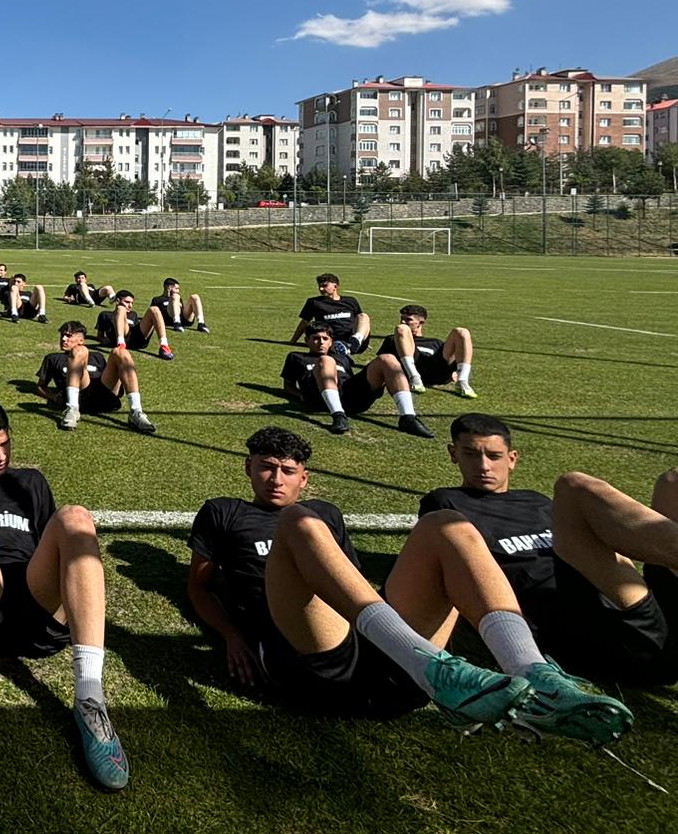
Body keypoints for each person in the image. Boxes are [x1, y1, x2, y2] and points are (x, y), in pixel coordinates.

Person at [186, 427, 631, 745]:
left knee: (447, 524)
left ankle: (533, 672)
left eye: (288, 470)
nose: (277, 478)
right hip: (310, 657)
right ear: (248, 468)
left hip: (393, 673)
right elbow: (200, 588)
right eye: (266, 468)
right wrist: (232, 637)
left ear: (304, 477)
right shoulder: (224, 511)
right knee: (297, 522)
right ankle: (432, 663)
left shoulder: (328, 512)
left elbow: (349, 581)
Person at [0, 398, 130, 789]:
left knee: (75, 517)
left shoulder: (31, 481)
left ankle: (90, 699)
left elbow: (54, 543)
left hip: (37, 603)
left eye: (4, 444)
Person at [419, 413, 678, 687]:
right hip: (604, 634)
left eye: (494, 456)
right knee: (573, 485)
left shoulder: (536, 500)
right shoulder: (446, 503)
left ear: (512, 459)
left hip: (647, 608)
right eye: (471, 454)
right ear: (453, 453)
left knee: (672, 482)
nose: (483, 466)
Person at [281, 323, 433, 438]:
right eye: (315, 339)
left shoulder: (342, 358)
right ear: (307, 340)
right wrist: (299, 395)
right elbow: (288, 385)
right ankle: (338, 416)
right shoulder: (296, 357)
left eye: (325, 339)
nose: (321, 342)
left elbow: (350, 378)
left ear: (331, 342)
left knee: (387, 358)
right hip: (319, 397)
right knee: (326, 361)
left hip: (350, 396)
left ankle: (408, 417)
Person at [35, 321, 154, 433]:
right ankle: (72, 409)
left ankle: (136, 412)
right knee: (79, 352)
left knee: (120, 352)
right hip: (81, 396)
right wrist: (53, 396)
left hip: (103, 396)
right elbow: (40, 386)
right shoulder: (53, 358)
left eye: (68, 336)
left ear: (81, 340)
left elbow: (109, 380)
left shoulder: (97, 356)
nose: (63, 339)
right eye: (62, 335)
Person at [380, 304, 476, 398]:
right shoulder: (392, 339)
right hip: (415, 367)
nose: (403, 322)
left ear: (421, 323)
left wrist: (455, 372)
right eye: (402, 318)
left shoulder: (435, 342)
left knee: (462, 332)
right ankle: (414, 378)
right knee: (402, 329)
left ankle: (463, 381)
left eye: (408, 320)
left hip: (438, 370)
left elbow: (449, 360)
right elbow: (385, 361)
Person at [290, 273, 369, 352]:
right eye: (319, 286)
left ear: (335, 286)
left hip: (351, 336)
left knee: (363, 316)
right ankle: (345, 349)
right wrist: (293, 340)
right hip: (331, 340)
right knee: (335, 344)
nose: (321, 289)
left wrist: (361, 335)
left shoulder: (351, 301)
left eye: (324, 286)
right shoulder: (314, 302)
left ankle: (356, 341)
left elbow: (360, 322)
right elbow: (304, 322)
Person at [95, 291, 173, 361]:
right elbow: (100, 336)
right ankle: (120, 343)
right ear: (117, 301)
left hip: (136, 339)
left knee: (154, 309)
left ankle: (164, 346)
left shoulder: (133, 314)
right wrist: (104, 340)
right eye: (127, 302)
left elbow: (136, 330)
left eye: (132, 303)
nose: (130, 305)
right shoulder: (105, 315)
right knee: (121, 309)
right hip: (119, 338)